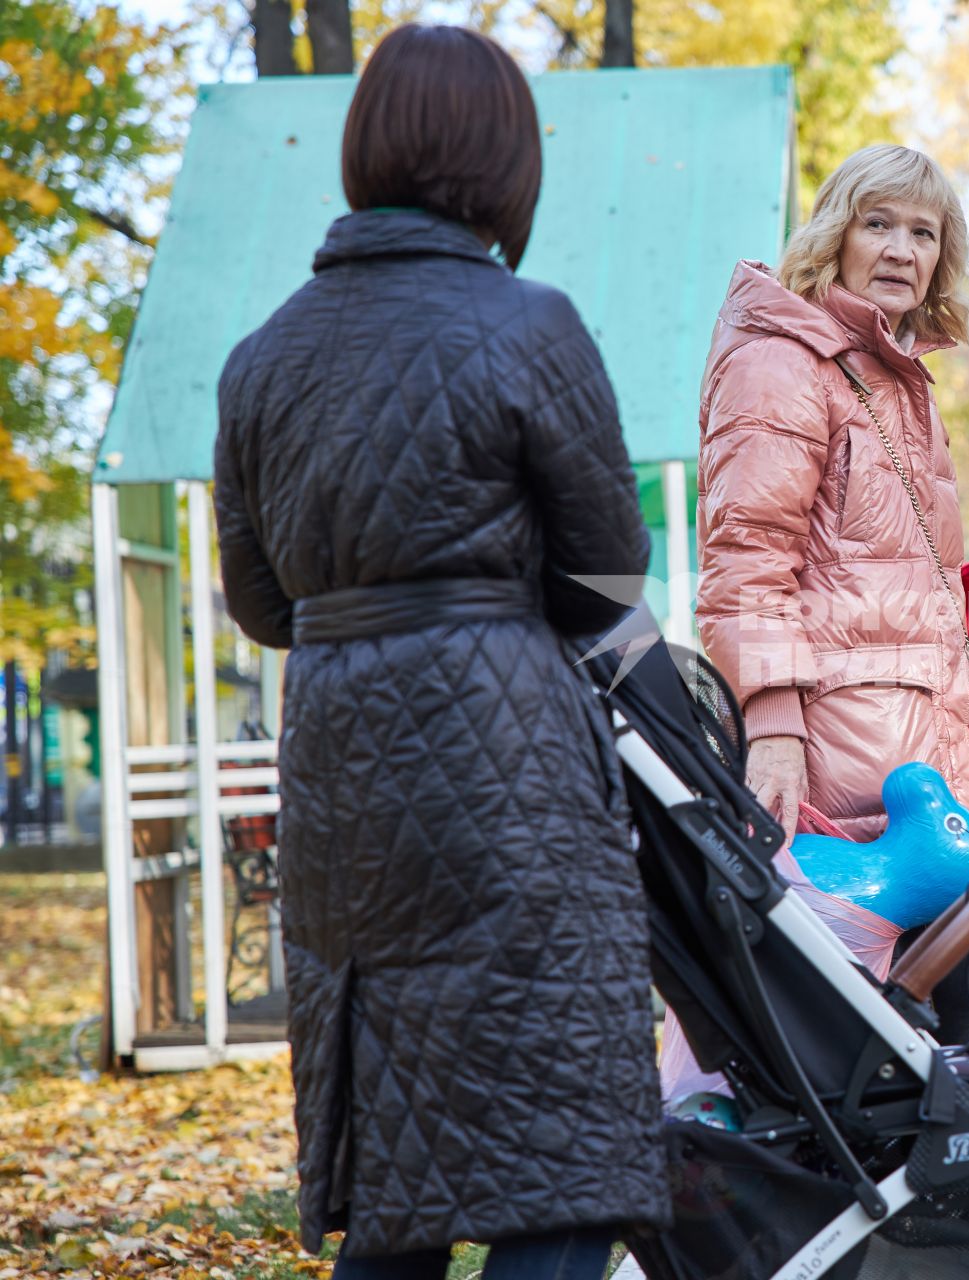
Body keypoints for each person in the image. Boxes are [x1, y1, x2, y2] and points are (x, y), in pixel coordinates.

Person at [213, 26, 666, 1278]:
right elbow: (600, 580)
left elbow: (259, 600)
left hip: (343, 776)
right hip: (502, 761)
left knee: (400, 1166)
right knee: (560, 1168)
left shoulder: (261, 359)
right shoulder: (529, 321)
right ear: (505, 164)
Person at [695, 144, 969, 843]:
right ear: (835, 236)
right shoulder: (782, 364)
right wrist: (769, 724)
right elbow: (746, 561)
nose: (900, 250)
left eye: (923, 233)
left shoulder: (900, 382)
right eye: (877, 225)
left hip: (922, 748)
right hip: (834, 757)